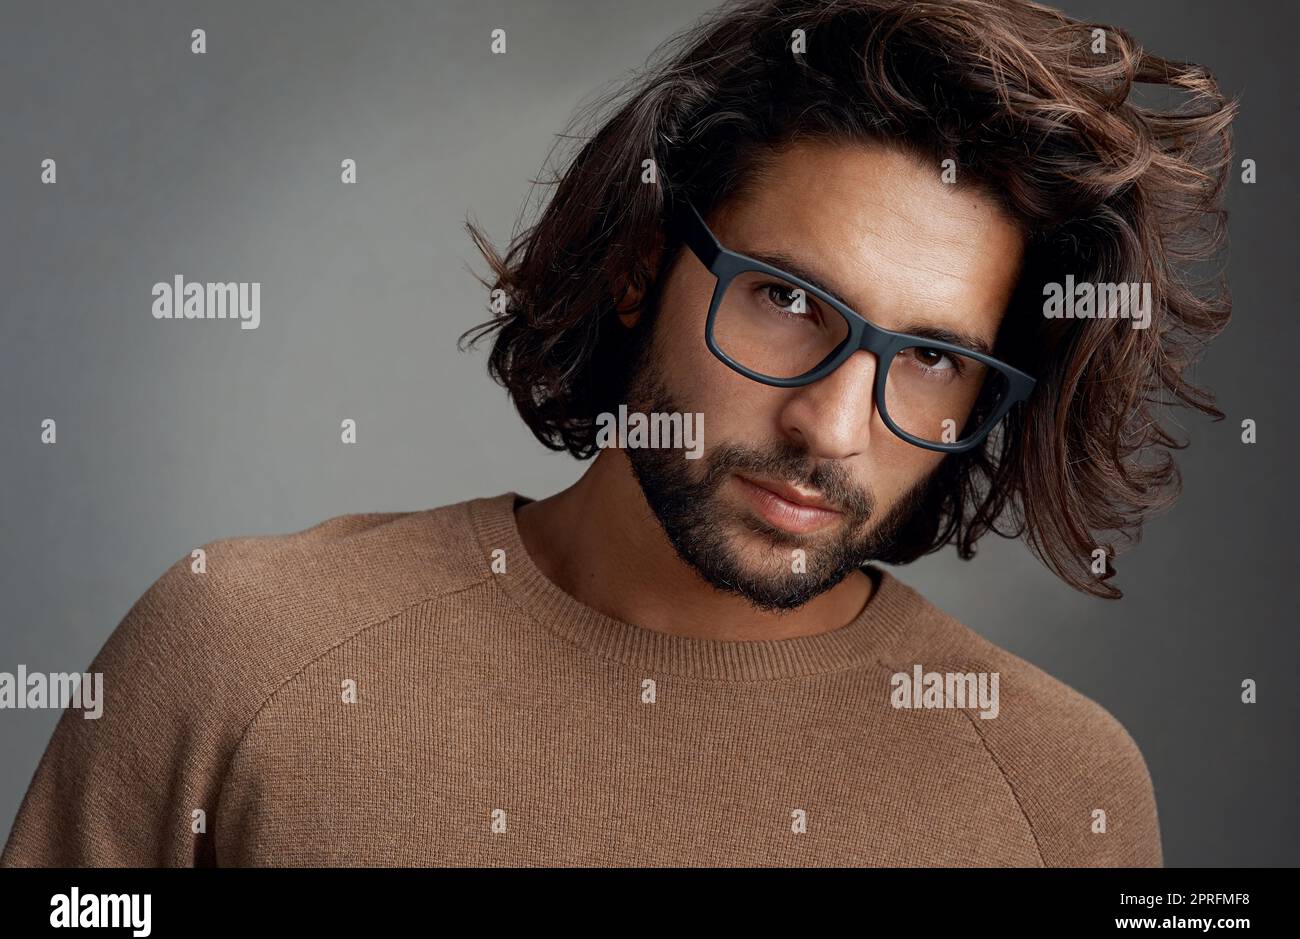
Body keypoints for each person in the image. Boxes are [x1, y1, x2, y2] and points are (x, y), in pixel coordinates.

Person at [2, 0, 1234, 867]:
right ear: (648, 266)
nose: (832, 425)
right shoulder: (235, 656)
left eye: (929, 359)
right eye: (789, 300)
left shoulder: (1059, 788)